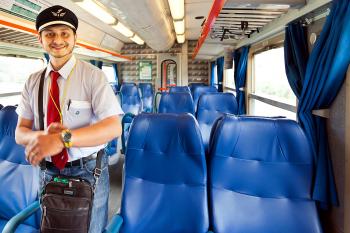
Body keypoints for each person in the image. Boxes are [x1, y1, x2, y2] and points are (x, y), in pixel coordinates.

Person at [15, 5, 123, 233]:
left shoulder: (93, 76)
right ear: (40, 39)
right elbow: (20, 131)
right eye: (50, 34)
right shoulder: (32, 82)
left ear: (75, 38)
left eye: (65, 33)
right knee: (52, 226)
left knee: (90, 228)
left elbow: (113, 127)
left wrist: (63, 139)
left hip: (88, 170)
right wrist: (43, 137)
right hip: (47, 171)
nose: (58, 40)